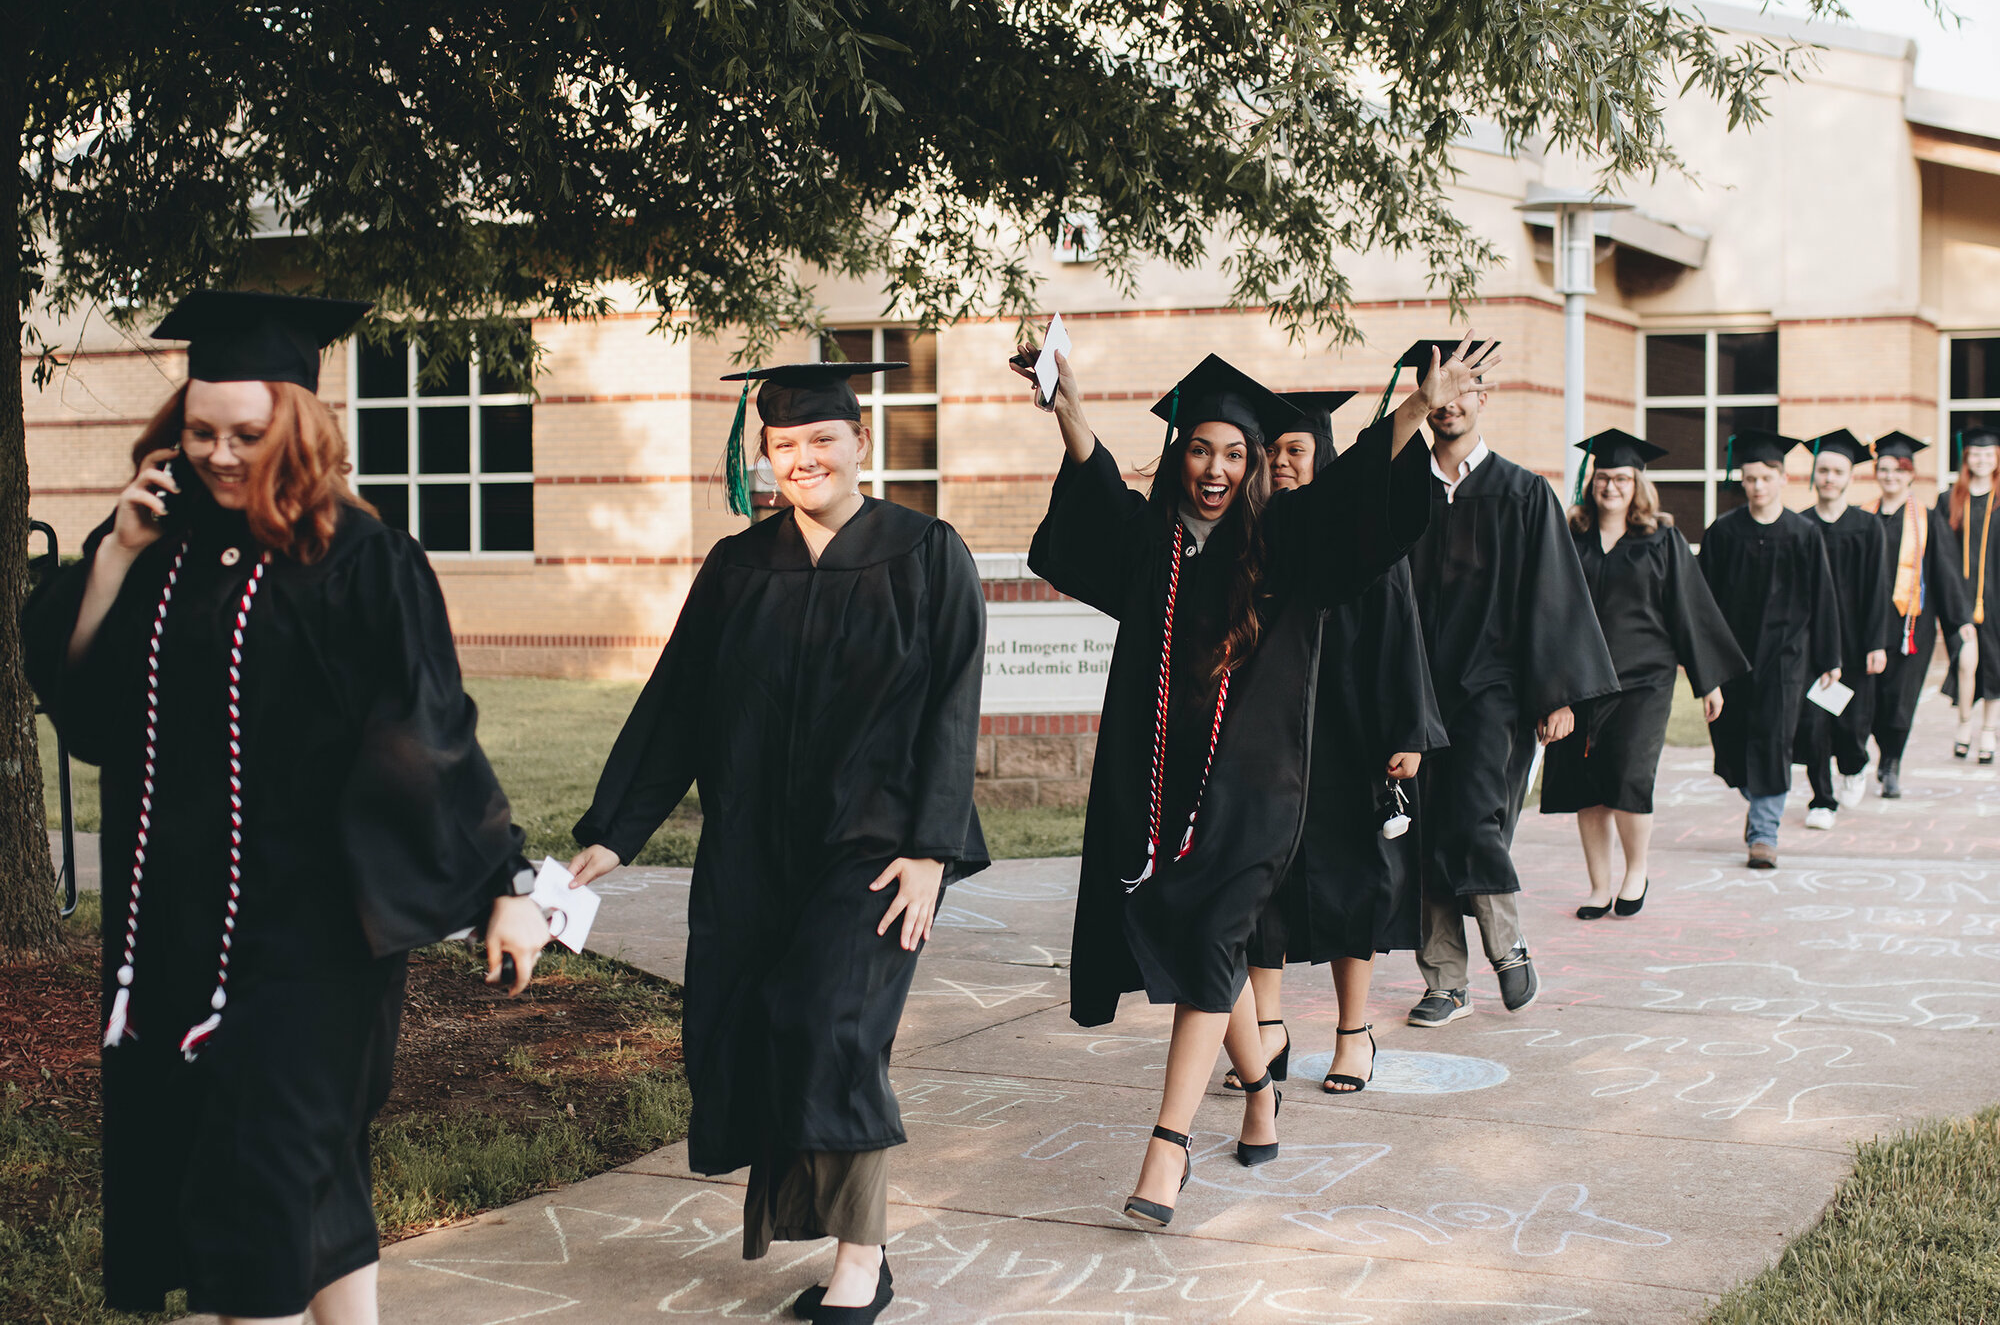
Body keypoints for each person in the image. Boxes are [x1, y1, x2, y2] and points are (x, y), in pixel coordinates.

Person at [21, 291, 549, 1325]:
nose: (219, 455)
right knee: (315, 1184)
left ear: (300, 428)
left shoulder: (358, 560)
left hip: (312, 939)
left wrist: (507, 882)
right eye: (200, 431)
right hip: (174, 933)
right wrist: (116, 555)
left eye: (247, 435)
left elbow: (427, 730)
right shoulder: (156, 544)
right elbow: (86, 710)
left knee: (259, 1197)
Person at [567, 361, 988, 1325]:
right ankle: (842, 1241)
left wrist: (931, 849)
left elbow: (952, 705)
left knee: (829, 1020)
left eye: (821, 441)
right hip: (755, 850)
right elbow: (676, 706)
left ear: (860, 444)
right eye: (784, 446)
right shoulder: (737, 567)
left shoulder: (926, 553)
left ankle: (861, 1259)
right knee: (763, 1025)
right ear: (764, 457)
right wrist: (612, 835)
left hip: (876, 847)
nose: (803, 460)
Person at [1024, 342, 1457, 1227]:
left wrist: (1411, 414)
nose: (1215, 469)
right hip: (1158, 788)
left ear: (1255, 461)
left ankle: (1166, 1151)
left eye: (1234, 453)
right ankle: (1260, 1085)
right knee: (1192, 942)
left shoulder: (1287, 537)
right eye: (1199, 449)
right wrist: (1069, 407)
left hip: (1255, 793)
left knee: (1213, 935)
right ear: (1179, 455)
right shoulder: (1154, 545)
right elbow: (1095, 497)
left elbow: (1354, 504)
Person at [1395, 339, 1619, 1029]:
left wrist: (1557, 691)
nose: (1450, 402)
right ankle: (1444, 980)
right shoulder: (1401, 490)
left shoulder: (1523, 493)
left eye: (1463, 388)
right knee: (1423, 827)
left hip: (1495, 688)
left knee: (1473, 814)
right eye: (1437, 389)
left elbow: (1553, 595)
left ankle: (1505, 938)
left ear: (1484, 398)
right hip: (1412, 685)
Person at [1230, 391, 1447, 1095]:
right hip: (1269, 740)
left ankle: (1354, 1032)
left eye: (1296, 449)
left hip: (1351, 738)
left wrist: (1408, 731)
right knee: (1260, 884)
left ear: (1325, 457)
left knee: (1354, 880)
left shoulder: (1365, 538)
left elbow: (1402, 637)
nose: (1282, 462)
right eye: (1271, 451)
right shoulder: (1253, 537)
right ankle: (1268, 1029)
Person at [1539, 430, 1746, 918]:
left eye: (1623, 478)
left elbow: (1689, 610)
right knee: (1586, 786)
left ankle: (1636, 870)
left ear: (1638, 485)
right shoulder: (1570, 539)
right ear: (1592, 482)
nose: (1611, 486)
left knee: (1630, 776)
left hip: (1645, 680)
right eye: (1604, 477)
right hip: (1581, 680)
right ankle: (1597, 885)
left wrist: (1707, 680)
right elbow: (1551, 609)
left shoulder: (1662, 539)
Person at [1700, 431, 1843, 869]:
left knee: (1774, 740)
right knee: (1734, 742)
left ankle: (1764, 831)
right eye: (1749, 478)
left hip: (1786, 656)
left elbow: (1823, 596)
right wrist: (1703, 664)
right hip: (1732, 658)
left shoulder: (1803, 533)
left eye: (1765, 477)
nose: (1757, 486)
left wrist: (1830, 658)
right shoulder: (1723, 533)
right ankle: (1757, 797)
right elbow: (1701, 603)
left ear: (1782, 478)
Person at [1790, 430, 1889, 826]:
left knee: (1851, 724)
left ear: (1850, 477)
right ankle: (1821, 800)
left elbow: (1878, 589)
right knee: (1813, 725)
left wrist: (1876, 643)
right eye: (1823, 470)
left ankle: (1855, 764)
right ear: (1814, 475)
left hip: (1854, 641)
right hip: (1811, 644)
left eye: (1837, 471)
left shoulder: (1867, 527)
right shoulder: (1798, 525)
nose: (1829, 477)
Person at [1869, 432, 1973, 795]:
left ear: (1910, 475)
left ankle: (1891, 763)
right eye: (1884, 469)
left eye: (1898, 470)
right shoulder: (1863, 519)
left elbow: (1945, 574)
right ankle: (1874, 755)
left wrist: (1959, 622)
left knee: (1901, 697)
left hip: (1912, 627)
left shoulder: (1928, 520)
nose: (1891, 477)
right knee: (1872, 698)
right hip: (1869, 626)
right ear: (1875, 473)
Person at [1943, 426, 2000, 764]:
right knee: (1966, 662)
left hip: (1996, 598)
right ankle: (1964, 722)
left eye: (1989, 454)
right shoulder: (1949, 498)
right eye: (1976, 453)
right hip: (1961, 597)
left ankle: (1989, 729)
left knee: (1994, 665)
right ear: (1966, 458)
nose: (1982, 459)